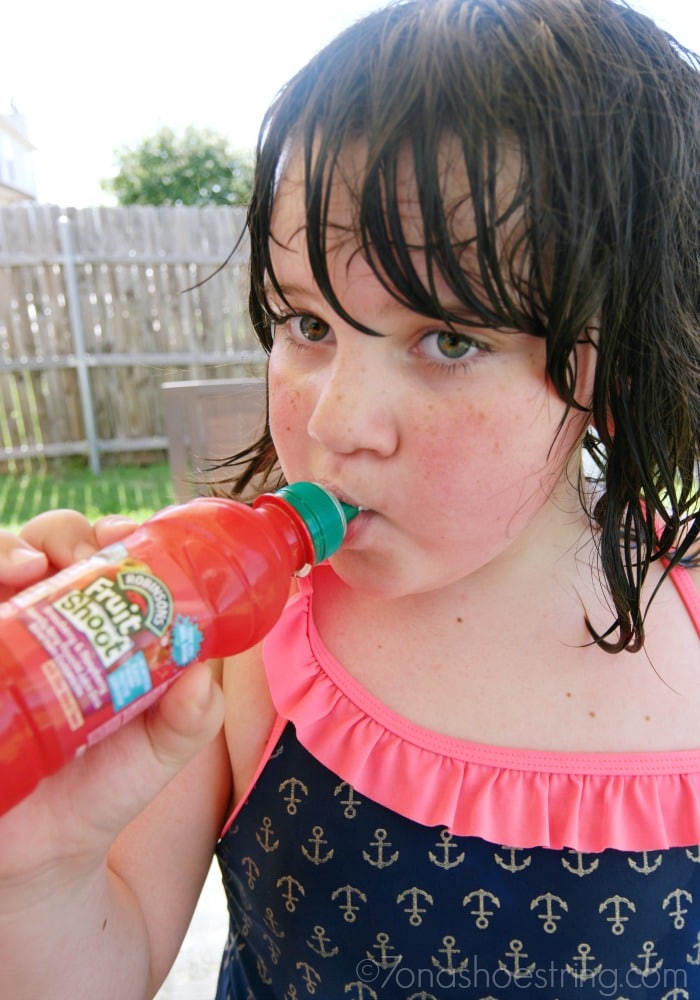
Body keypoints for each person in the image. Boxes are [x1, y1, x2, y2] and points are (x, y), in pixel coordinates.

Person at [1, 0, 699, 996]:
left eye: (450, 340)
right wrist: (37, 870)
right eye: (306, 319)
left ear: (615, 364)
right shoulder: (237, 639)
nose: (335, 421)